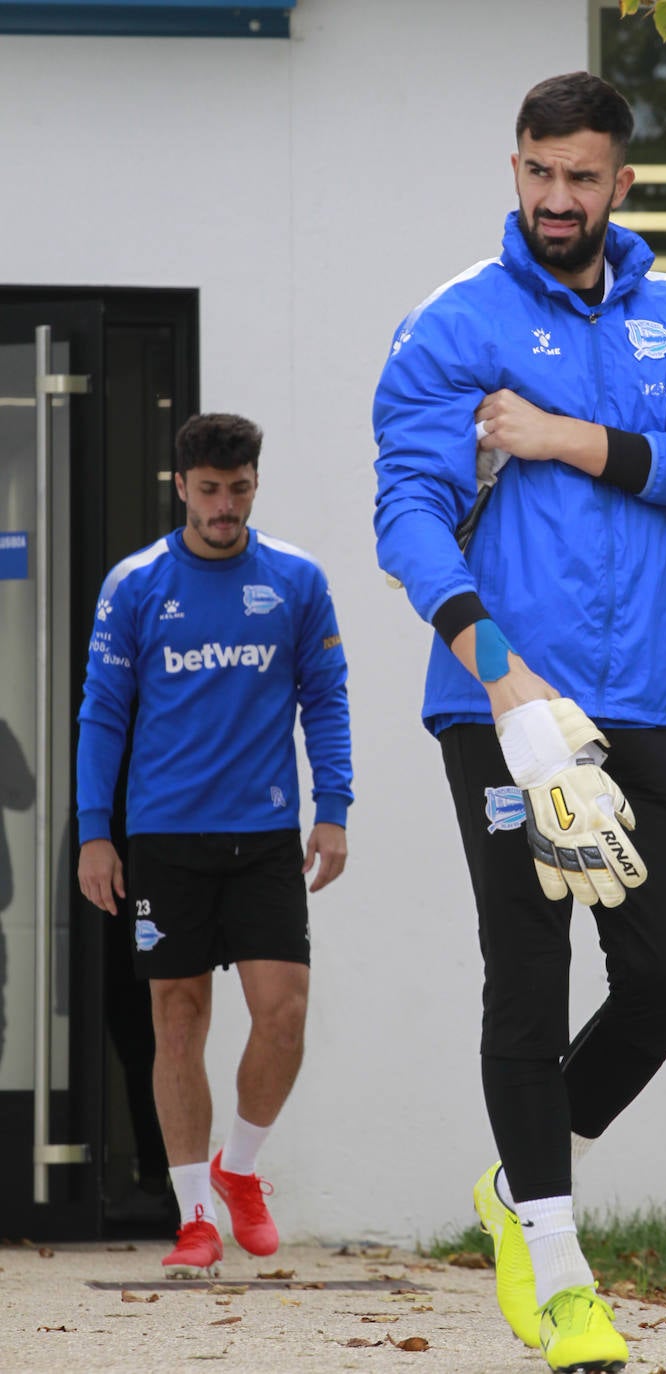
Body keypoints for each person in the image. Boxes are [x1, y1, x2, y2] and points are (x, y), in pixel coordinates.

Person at [373, 71, 666, 1374]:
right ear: (516, 168)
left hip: (641, 694)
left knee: (665, 975)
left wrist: (570, 438)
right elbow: (408, 512)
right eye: (536, 175)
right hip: (499, 701)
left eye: (579, 178)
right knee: (528, 973)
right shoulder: (452, 323)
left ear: (620, 184)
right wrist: (494, 666)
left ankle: (512, 1181)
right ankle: (556, 1267)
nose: (555, 200)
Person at [77, 412, 353, 1276]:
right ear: (181, 488)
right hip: (164, 837)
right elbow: (103, 716)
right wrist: (96, 833)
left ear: (254, 485)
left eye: (238, 490)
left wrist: (334, 807)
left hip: (265, 834)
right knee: (179, 1020)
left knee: (285, 1014)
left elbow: (327, 697)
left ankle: (240, 1169)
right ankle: (195, 1215)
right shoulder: (135, 585)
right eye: (209, 492)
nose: (224, 507)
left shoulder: (297, 581)